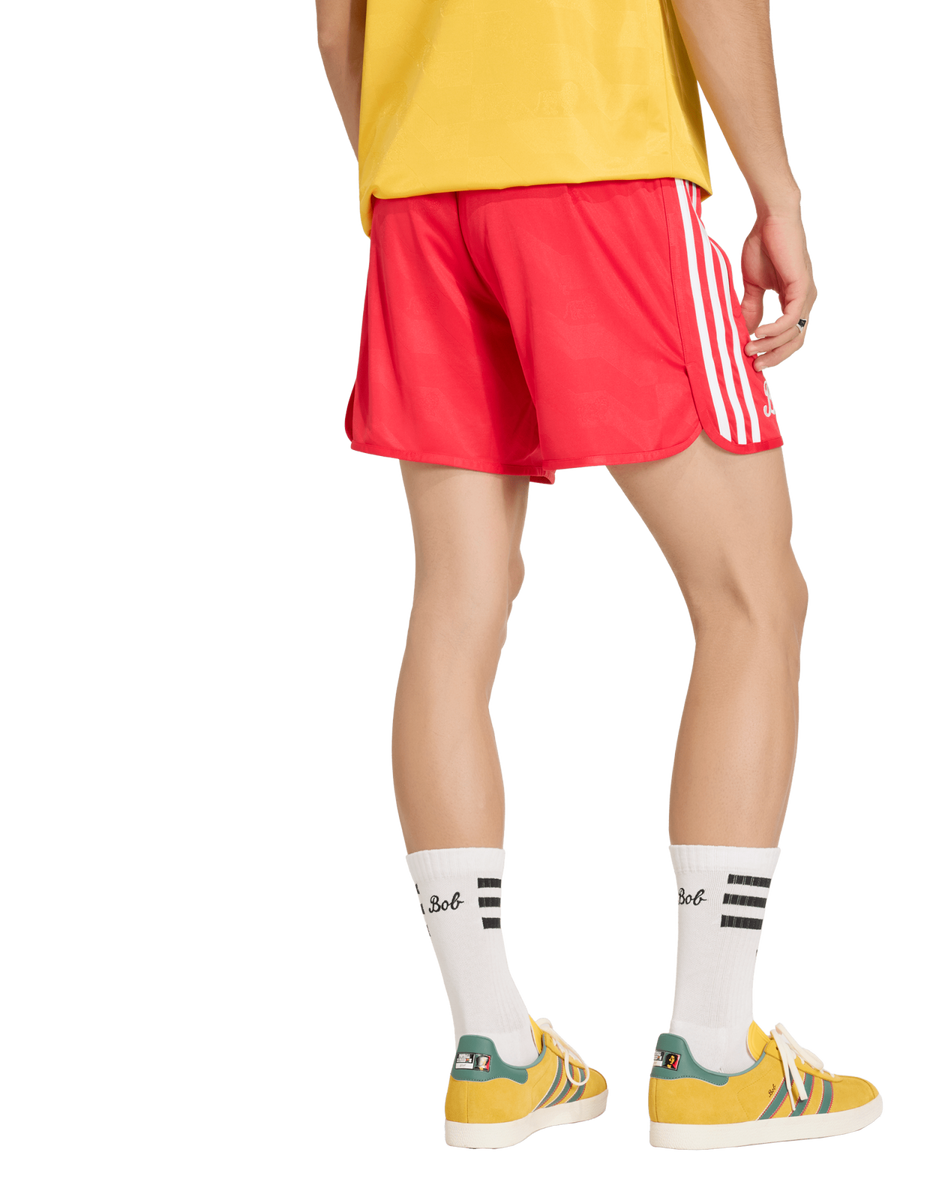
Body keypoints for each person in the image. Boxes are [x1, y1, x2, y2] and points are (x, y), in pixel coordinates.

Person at [314, 0, 884, 1153]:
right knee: (754, 596)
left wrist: (404, 165)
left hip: (418, 187)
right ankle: (715, 1057)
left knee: (457, 596)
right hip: (596, 157)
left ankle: (491, 1052)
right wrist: (777, 192)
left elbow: (335, 25)